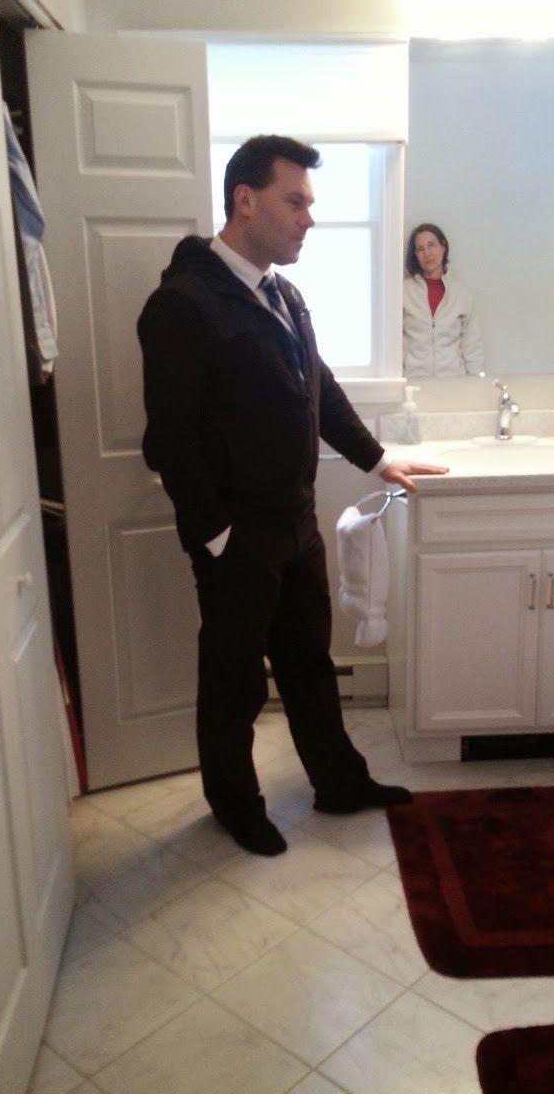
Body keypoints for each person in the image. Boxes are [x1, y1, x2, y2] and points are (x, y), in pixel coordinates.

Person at [138, 135, 446, 857]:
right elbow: (169, 442)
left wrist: (377, 460)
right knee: (235, 680)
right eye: (296, 201)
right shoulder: (182, 304)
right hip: (238, 537)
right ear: (244, 200)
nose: (309, 217)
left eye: (310, 202)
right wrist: (216, 536)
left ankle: (339, 783)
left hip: (295, 523)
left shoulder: (283, 293)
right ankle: (234, 805)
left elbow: (319, 389)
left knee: (311, 664)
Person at [403, 222, 483, 378]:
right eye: (420, 249)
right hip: (414, 384)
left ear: (443, 246)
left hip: (453, 384)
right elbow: (394, 347)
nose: (427, 253)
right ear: (416, 255)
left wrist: (476, 385)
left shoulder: (461, 294)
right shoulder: (404, 293)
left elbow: (472, 347)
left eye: (431, 245)